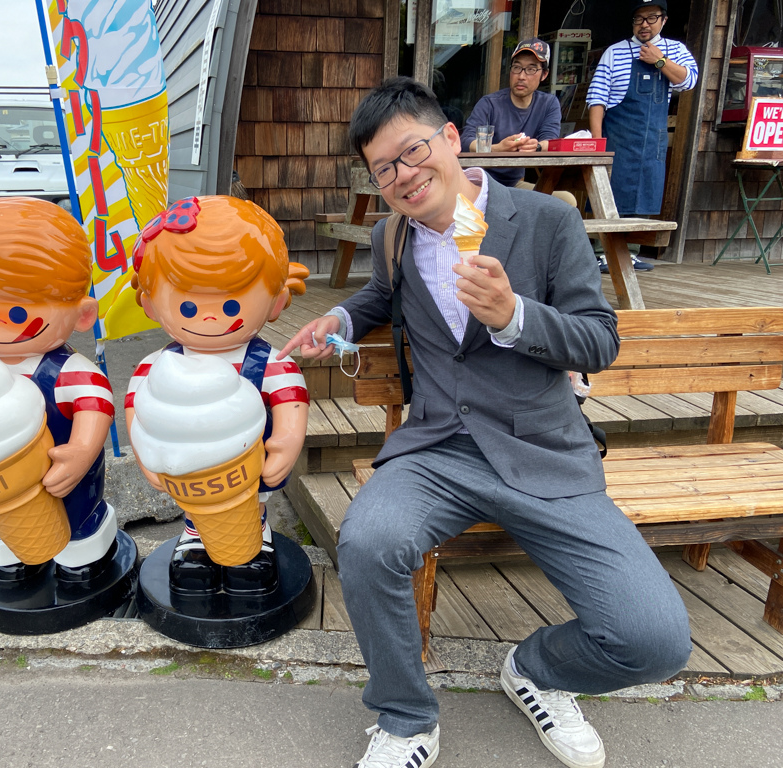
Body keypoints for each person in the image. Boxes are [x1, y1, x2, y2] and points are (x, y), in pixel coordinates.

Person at [278, 77, 691, 768]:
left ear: (449, 139)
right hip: (439, 447)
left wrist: (514, 316)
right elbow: (381, 295)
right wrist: (340, 319)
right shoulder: (393, 236)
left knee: (655, 640)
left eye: (412, 152)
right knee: (369, 541)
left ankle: (537, 670)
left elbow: (600, 340)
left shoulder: (546, 220)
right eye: (385, 169)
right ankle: (407, 719)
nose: (404, 176)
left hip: (544, 453)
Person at [0, 196, 118, 582]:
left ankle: (84, 550)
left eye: (18, 313)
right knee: (6, 519)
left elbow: (96, 407)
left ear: (83, 315)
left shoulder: (68, 371)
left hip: (65, 472)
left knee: (75, 513)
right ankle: (9, 550)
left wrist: (81, 451)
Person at [126, 195, 310, 593]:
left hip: (251, 466)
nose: (210, 317)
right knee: (197, 508)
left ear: (276, 301)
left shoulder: (272, 363)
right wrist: (145, 454)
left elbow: (292, 402)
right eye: (189, 307)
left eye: (230, 304)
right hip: (184, 468)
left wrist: (285, 443)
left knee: (249, 503)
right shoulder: (156, 366)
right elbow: (137, 409)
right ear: (150, 305)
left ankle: (255, 541)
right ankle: (194, 539)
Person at [587, 1, 698, 219]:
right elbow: (596, 99)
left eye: (651, 18)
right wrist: (596, 144)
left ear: (664, 20)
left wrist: (659, 61)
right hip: (617, 143)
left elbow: (689, 81)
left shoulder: (676, 50)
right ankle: (602, 252)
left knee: (644, 205)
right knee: (608, 203)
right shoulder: (614, 52)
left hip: (651, 146)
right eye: (639, 19)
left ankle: (633, 252)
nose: (644, 24)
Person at [461, 38, 578, 208]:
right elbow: (465, 140)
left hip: (514, 185)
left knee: (567, 202)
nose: (521, 76)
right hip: (480, 184)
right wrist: (496, 149)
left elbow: (550, 141)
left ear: (544, 75)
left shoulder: (548, 104)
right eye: (517, 67)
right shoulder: (490, 103)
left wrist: (535, 146)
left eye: (531, 69)